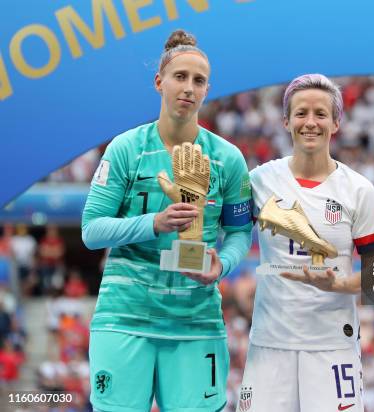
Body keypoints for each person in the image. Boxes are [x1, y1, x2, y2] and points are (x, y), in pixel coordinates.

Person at [81, 29, 253, 411]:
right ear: (159, 82)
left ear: (207, 89)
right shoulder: (126, 149)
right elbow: (92, 231)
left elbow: (241, 232)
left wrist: (222, 265)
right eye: (180, 77)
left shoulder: (228, 158)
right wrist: (153, 222)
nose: (188, 88)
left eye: (198, 81)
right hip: (124, 317)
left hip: (196, 323)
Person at [238, 74, 374, 411]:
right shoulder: (260, 180)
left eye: (321, 114)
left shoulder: (358, 190)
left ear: (336, 123)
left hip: (332, 346)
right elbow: (229, 234)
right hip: (270, 344)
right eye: (301, 113)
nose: (310, 122)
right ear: (286, 120)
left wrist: (341, 284)